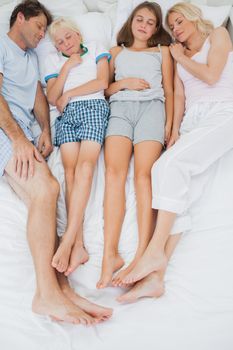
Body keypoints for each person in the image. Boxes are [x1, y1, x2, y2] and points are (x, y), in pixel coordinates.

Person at [0, 0, 112, 323]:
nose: (42, 36)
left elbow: (39, 95)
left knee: (48, 202)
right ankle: (45, 295)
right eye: (38, 28)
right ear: (20, 17)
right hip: (7, 133)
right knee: (47, 190)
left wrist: (46, 129)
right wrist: (20, 139)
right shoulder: (3, 46)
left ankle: (64, 290)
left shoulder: (32, 57)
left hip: (24, 132)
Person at [117, 1, 233, 303]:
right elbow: (179, 95)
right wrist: (174, 129)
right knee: (182, 192)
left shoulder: (217, 36)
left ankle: (153, 253)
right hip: (194, 121)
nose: (177, 29)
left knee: (163, 169)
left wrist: (180, 56)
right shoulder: (176, 57)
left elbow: (211, 76)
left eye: (180, 21)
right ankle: (156, 278)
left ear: (195, 18)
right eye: (173, 26)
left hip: (224, 111)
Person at [96, 1, 174, 289]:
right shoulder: (116, 52)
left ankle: (142, 253)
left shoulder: (162, 52)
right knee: (113, 174)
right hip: (120, 109)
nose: (143, 25)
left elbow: (170, 88)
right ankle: (109, 256)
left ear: (156, 28)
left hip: (152, 109)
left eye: (150, 22)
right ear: (131, 22)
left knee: (144, 176)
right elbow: (103, 88)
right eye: (139, 19)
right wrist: (124, 82)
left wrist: (171, 125)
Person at [45, 18, 110, 276]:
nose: (66, 44)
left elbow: (102, 82)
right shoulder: (54, 60)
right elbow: (52, 96)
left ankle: (69, 239)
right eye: (60, 42)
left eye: (69, 37)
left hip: (93, 107)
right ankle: (79, 244)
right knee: (70, 173)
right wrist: (66, 68)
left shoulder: (95, 47)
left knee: (85, 166)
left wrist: (70, 93)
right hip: (66, 115)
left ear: (79, 35)